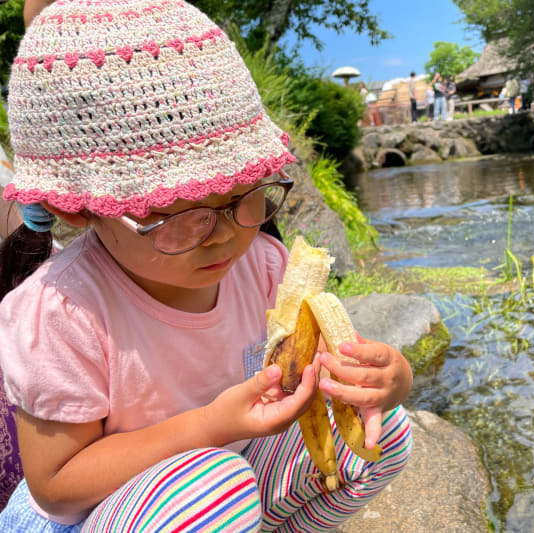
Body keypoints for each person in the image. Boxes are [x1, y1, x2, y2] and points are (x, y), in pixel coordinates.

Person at [0, 2, 413, 532]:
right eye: (181, 212)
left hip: (223, 487)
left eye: (246, 195)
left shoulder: (262, 265)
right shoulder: (59, 312)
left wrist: (383, 381)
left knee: (383, 432)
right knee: (213, 486)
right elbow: (57, 487)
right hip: (100, 515)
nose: (225, 232)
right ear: (76, 208)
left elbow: (320, 378)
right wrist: (208, 427)